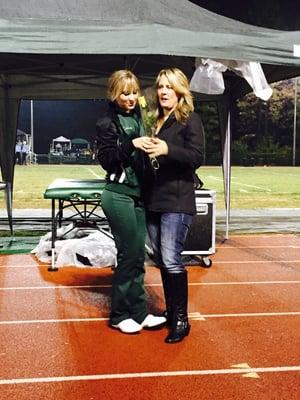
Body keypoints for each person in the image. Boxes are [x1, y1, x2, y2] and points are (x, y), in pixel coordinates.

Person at [96, 70, 166, 334]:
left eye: (134, 92)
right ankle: (119, 315)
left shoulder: (138, 117)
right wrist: (132, 143)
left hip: (136, 195)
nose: (131, 98)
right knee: (129, 255)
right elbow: (107, 159)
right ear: (114, 93)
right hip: (118, 194)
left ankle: (139, 311)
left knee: (138, 256)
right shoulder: (107, 122)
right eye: (125, 93)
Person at [142, 68, 205, 344]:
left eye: (169, 86)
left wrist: (168, 150)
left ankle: (181, 319)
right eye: (160, 87)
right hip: (155, 199)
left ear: (180, 90)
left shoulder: (190, 120)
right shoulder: (155, 120)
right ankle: (171, 311)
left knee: (170, 259)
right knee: (161, 260)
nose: (163, 91)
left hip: (178, 200)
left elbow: (197, 156)